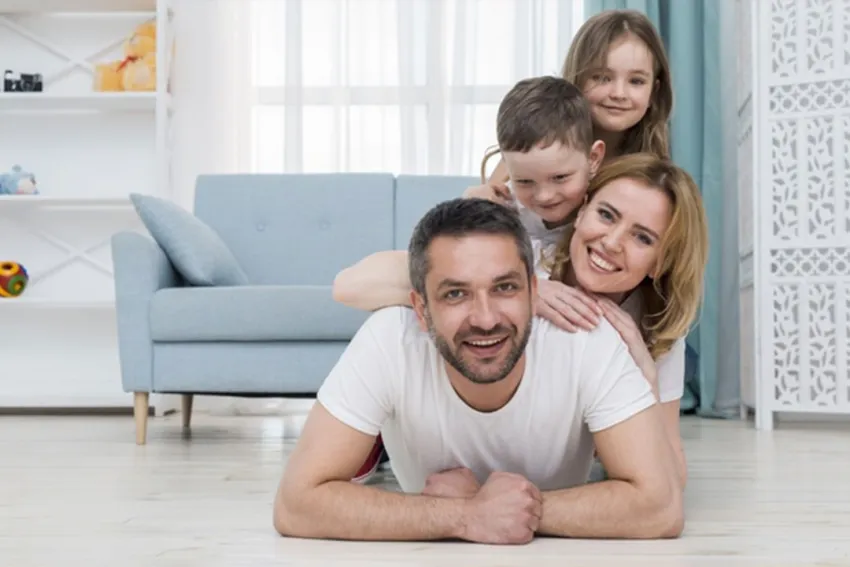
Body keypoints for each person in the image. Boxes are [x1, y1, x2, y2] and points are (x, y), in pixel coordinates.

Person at [274, 198, 684, 544]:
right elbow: (296, 504)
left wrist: (509, 507)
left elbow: (661, 506)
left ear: (534, 292)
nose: (485, 319)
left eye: (505, 288)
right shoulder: (388, 339)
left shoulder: (587, 341)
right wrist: (464, 516)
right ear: (420, 308)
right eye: (456, 294)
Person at [332, 154, 708, 485]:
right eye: (606, 216)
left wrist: (647, 381)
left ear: (661, 261)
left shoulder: (654, 331)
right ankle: (373, 433)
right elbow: (350, 287)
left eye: (642, 238)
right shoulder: (525, 259)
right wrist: (526, 291)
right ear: (582, 211)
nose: (611, 242)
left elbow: (667, 482)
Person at [484, 9, 673, 185]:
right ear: (577, 79)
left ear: (654, 93)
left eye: (636, 81)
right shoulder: (531, 150)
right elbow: (484, 207)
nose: (618, 94)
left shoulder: (655, 178)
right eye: (602, 78)